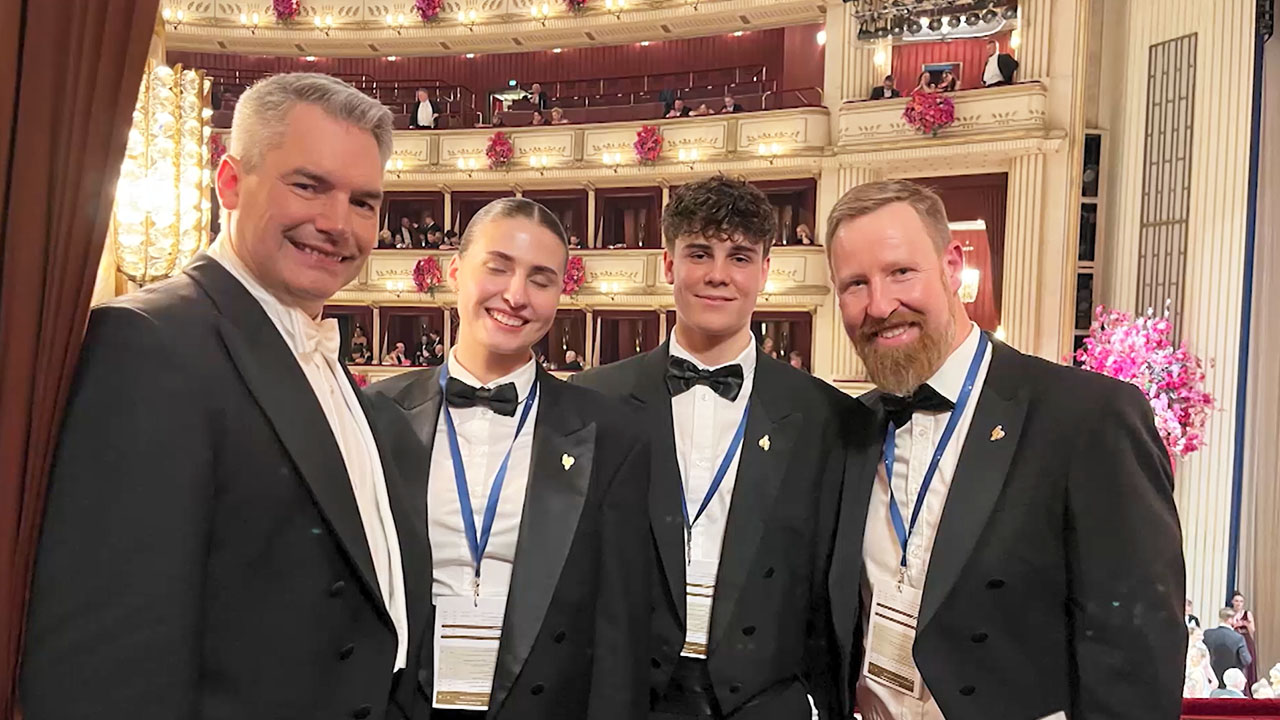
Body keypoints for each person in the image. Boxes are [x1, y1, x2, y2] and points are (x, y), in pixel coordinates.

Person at [21, 73, 432, 719]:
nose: (336, 223)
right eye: (308, 185)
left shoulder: (327, 362)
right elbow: (107, 661)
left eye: (363, 201)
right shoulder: (149, 343)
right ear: (231, 182)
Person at [824, 179, 1185, 720]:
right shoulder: (852, 428)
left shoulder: (1086, 417)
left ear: (952, 266)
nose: (880, 304)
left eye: (901, 272)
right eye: (855, 284)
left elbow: (1138, 653)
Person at [573, 176, 863, 720]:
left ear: (765, 272)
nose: (718, 275)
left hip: (768, 702)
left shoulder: (826, 416)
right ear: (668, 264)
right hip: (631, 697)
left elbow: (834, 588)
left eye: (740, 257)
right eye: (700, 253)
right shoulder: (594, 400)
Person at [366, 198, 651, 719]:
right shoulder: (376, 415)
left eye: (540, 279)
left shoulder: (610, 433)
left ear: (560, 294)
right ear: (455, 272)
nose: (516, 296)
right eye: (497, 268)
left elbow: (620, 629)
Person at [1230, 591, 1260, 689]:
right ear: (1232, 602)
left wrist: (1246, 624)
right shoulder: (1230, 614)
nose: (1239, 603)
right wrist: (1235, 625)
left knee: (1248, 663)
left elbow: (1252, 630)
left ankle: (1249, 687)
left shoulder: (1247, 614)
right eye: (1236, 601)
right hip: (1234, 640)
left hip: (1246, 639)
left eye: (1241, 601)